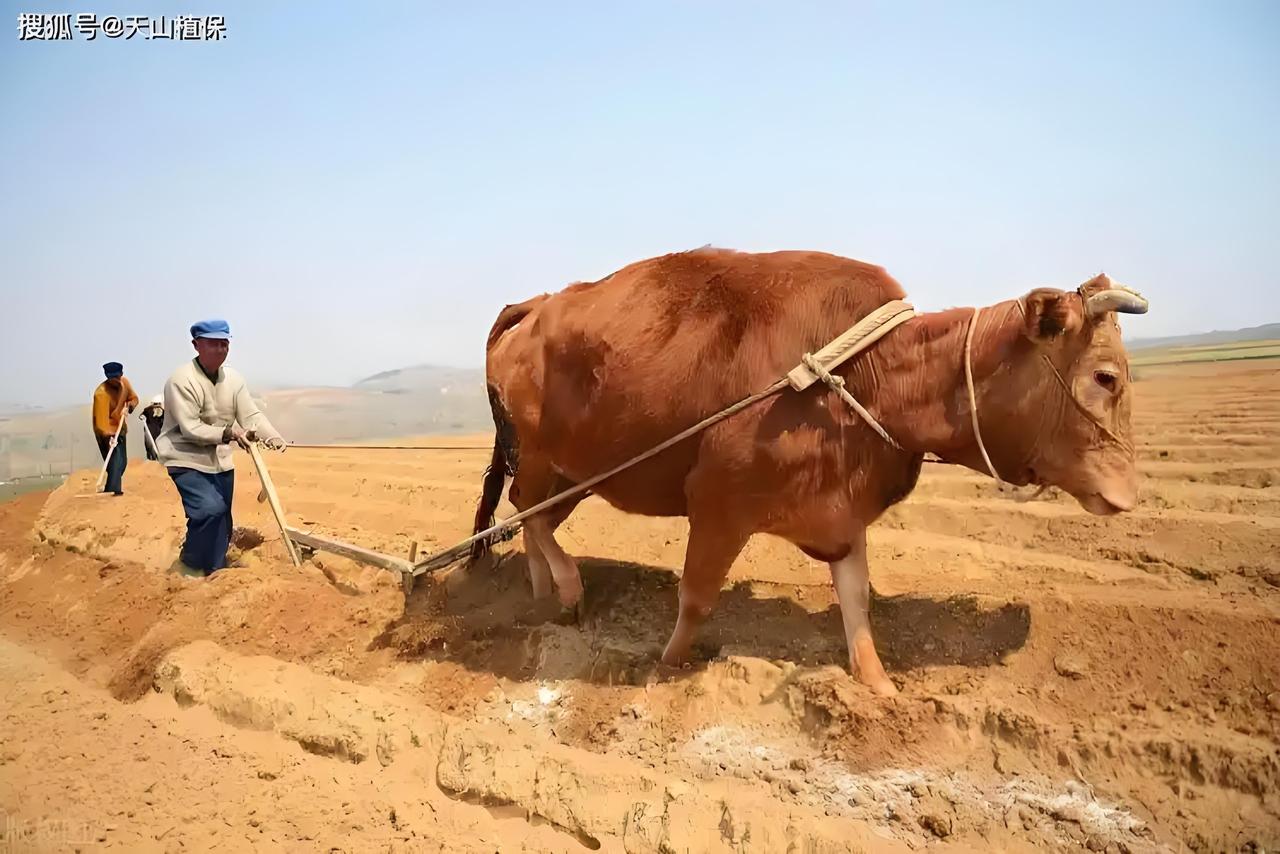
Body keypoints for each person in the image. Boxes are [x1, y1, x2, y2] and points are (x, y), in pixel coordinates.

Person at [157, 319, 287, 576]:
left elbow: (250, 415)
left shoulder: (234, 379)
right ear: (196, 345)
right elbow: (191, 429)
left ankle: (216, 569)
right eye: (213, 344)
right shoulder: (181, 380)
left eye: (224, 343)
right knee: (209, 510)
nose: (220, 349)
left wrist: (273, 437)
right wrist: (229, 433)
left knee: (223, 519)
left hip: (220, 459)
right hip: (185, 457)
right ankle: (191, 562)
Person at [91, 362, 138, 496]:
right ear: (107, 377)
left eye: (118, 377)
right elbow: (101, 422)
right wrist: (108, 435)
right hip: (105, 432)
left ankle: (111, 486)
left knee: (122, 463)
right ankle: (113, 490)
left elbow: (134, 398)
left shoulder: (125, 383)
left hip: (120, 428)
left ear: (121, 375)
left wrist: (129, 406)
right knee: (115, 461)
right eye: (113, 378)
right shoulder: (101, 394)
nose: (116, 381)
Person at [139, 395, 165, 461]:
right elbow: (141, 416)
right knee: (151, 448)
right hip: (151, 433)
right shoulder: (148, 410)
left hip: (157, 433)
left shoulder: (162, 412)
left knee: (156, 449)